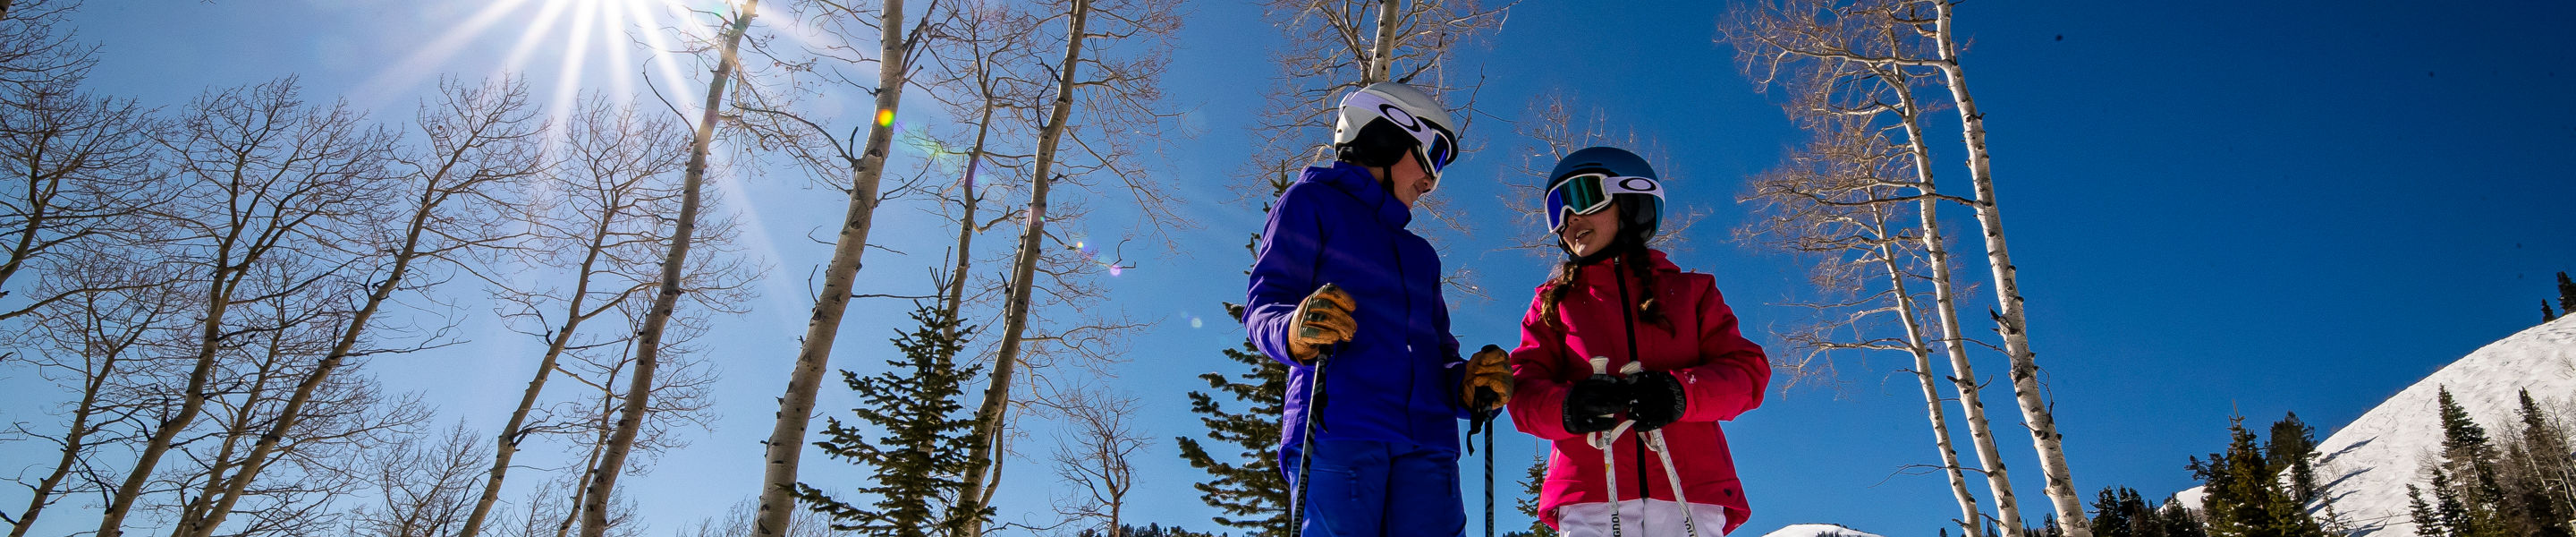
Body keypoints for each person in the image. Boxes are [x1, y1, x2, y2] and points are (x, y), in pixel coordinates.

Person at [1244, 81, 1513, 537]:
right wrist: (1294, 330)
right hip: (1341, 427)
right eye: (1435, 157)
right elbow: (1265, 304)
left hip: (1429, 442)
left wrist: (1466, 384)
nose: (1432, 181)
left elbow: (1439, 350)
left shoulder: (1421, 254)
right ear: (1386, 134)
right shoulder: (1311, 204)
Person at [1504, 147, 1772, 537]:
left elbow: (1747, 373)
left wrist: (1679, 393)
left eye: (1580, 198)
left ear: (1633, 199)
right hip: (1590, 493)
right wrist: (1568, 406)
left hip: (1688, 490)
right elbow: (1523, 390)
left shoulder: (1691, 292)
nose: (1568, 219)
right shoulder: (1552, 305)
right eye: (1556, 211)